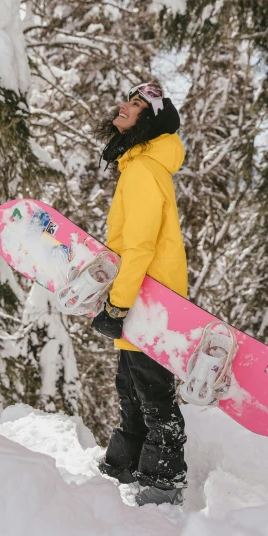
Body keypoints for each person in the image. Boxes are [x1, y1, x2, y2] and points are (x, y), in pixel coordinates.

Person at [92, 82, 188, 506]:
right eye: (126, 100)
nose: (123, 107)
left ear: (148, 121)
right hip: (143, 296)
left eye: (135, 105)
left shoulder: (144, 171)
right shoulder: (138, 167)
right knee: (131, 385)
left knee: (151, 388)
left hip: (151, 299)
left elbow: (140, 246)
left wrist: (119, 302)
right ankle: (127, 466)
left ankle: (165, 480)